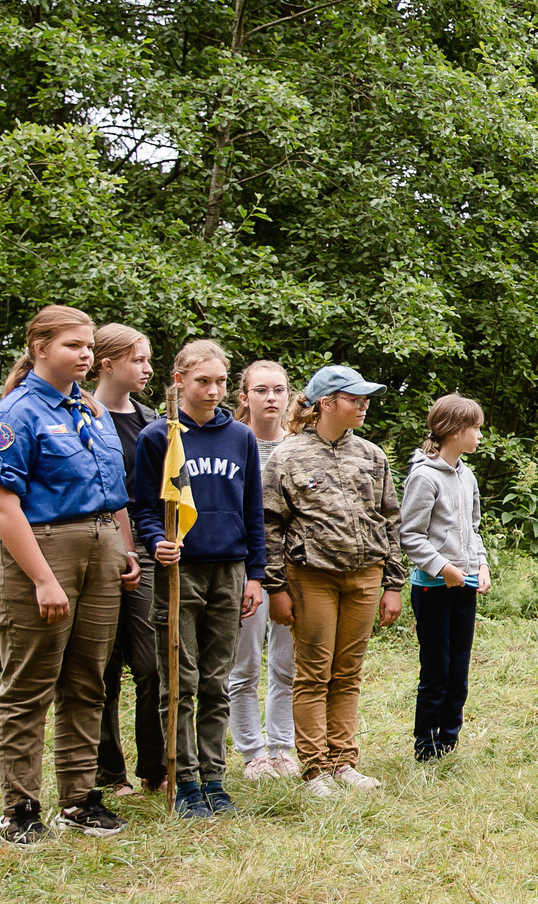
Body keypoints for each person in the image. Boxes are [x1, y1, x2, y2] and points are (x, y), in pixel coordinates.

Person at [0, 305, 142, 847]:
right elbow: (3, 506)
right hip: (41, 552)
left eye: (89, 345)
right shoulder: (15, 414)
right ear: (39, 347)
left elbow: (112, 491)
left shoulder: (91, 411)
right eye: (73, 345)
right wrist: (44, 579)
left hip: (101, 549)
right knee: (29, 685)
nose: (85, 354)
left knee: (88, 681)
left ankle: (79, 799)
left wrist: (124, 548)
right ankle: (19, 811)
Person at [131, 339, 267, 817]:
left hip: (229, 569)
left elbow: (253, 510)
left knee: (216, 680)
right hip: (179, 570)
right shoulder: (160, 436)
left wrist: (255, 574)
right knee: (179, 678)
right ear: (179, 381)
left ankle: (214, 778)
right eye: (202, 381)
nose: (213, 391)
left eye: (220, 382)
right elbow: (144, 508)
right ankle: (185, 779)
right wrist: (156, 541)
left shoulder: (241, 437)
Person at [263, 366, 404, 795]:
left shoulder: (372, 455)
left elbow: (390, 520)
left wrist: (393, 584)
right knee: (313, 673)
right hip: (311, 578)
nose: (364, 405)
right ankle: (315, 769)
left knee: (347, 672)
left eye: (365, 399)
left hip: (365, 576)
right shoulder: (286, 456)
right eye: (354, 399)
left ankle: (344, 762)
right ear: (326, 403)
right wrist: (275, 588)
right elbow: (269, 525)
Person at [89, 324, 162, 801]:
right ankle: (109, 773)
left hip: (148, 550)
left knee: (152, 663)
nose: (147, 368)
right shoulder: (82, 415)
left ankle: (156, 767)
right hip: (96, 545)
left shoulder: (152, 420)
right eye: (138, 359)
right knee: (102, 668)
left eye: (148, 359)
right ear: (107, 363)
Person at [400, 394, 490, 759]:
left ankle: (448, 742)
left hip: (464, 586)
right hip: (433, 589)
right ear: (454, 431)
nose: (480, 436)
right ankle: (426, 745)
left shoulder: (467, 476)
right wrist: (443, 568)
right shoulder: (424, 477)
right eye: (475, 428)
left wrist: (481, 565)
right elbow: (410, 535)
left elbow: (473, 529)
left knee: (459, 669)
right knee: (436, 670)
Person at [226, 360, 298, 779]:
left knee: (286, 664)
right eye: (261, 390)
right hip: (245, 567)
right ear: (244, 397)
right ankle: (252, 753)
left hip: (292, 569)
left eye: (279, 390)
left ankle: (282, 748)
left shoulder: (299, 446)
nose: (271, 398)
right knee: (245, 664)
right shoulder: (233, 442)